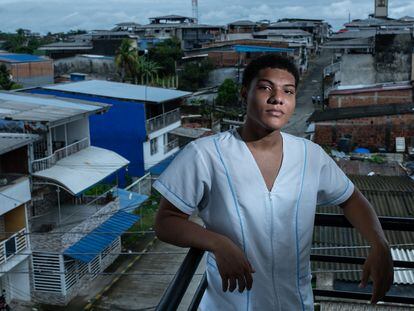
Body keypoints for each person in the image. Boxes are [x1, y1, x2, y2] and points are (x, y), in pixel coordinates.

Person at [153, 54, 393, 310]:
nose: (277, 97)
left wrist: (380, 243)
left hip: (296, 303)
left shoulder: (309, 155)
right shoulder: (205, 154)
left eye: (287, 91)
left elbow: (351, 198)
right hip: (229, 304)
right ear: (244, 93)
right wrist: (217, 243)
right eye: (265, 87)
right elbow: (166, 221)